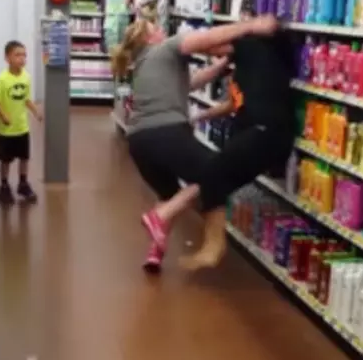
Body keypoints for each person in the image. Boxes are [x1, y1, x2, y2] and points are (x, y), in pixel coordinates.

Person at [112, 15, 279, 272]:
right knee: (219, 172)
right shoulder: (167, 47)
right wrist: (251, 26)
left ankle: (155, 251)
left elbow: (191, 83)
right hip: (166, 133)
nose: (161, 29)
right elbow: (207, 38)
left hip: (138, 142)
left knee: (170, 196)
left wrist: (223, 64)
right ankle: (161, 218)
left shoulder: (144, 64)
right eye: (156, 27)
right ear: (149, 38)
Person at [150, 26, 297, 271]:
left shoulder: (251, 47)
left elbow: (205, 44)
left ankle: (212, 246)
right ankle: (181, 224)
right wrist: (201, 116)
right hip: (260, 133)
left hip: (265, 132)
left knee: (212, 173)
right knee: (215, 177)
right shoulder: (250, 64)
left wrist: (174, 46)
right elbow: (233, 104)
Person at [0, 40, 42, 204]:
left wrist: (35, 111)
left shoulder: (26, 77)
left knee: (24, 158)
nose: (22, 59)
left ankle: (23, 183)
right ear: (7, 58)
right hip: (6, 130)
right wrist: (3, 116)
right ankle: (4, 186)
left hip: (22, 127)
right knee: (5, 160)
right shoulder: (2, 79)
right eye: (17, 55)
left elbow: (26, 99)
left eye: (24, 55)